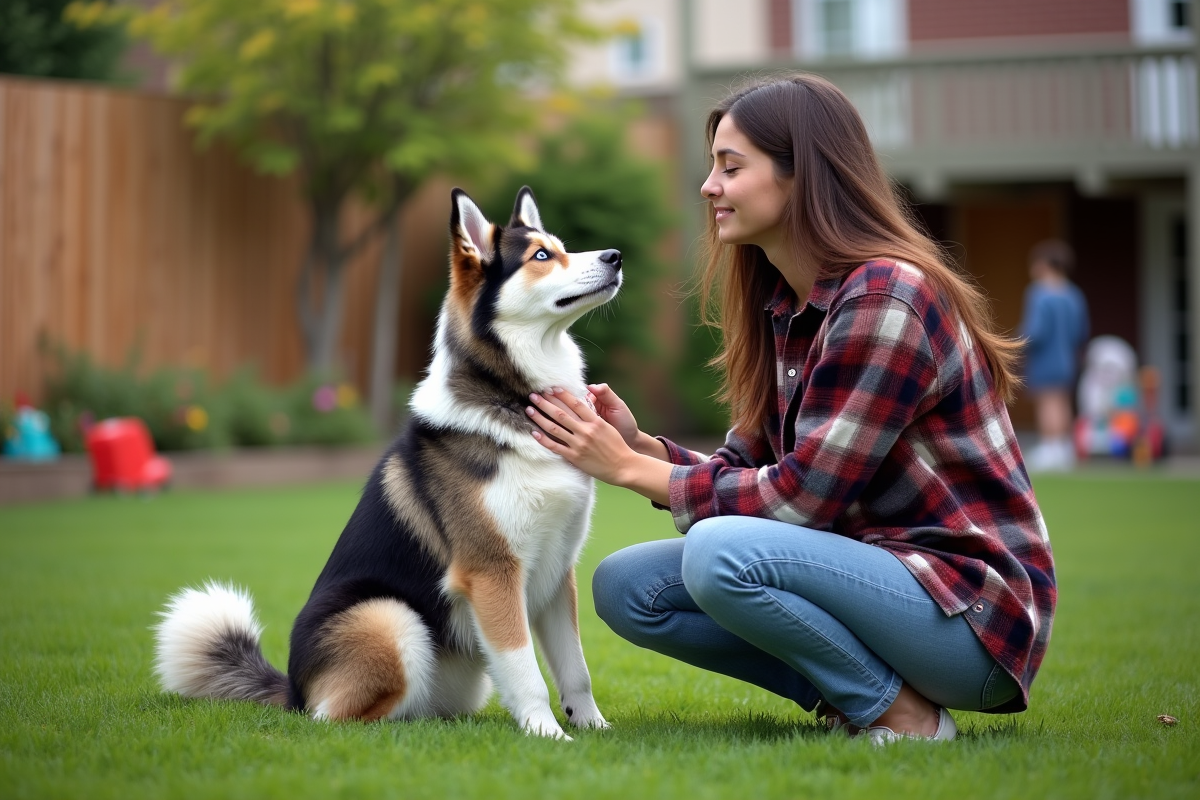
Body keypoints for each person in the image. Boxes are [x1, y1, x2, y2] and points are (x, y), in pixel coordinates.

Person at [524, 74, 1056, 743]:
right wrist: (644, 447)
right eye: (711, 166)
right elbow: (753, 473)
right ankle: (860, 696)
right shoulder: (789, 305)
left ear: (803, 175)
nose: (708, 187)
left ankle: (905, 715)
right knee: (626, 587)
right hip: (874, 579)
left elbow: (801, 502)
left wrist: (628, 470)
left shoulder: (886, 297)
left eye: (730, 167)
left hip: (971, 616)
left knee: (721, 554)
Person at [1019, 240, 1090, 472]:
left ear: (1043, 265)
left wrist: (1016, 341)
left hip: (1044, 357)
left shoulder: (1039, 293)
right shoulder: (1074, 294)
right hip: (1068, 357)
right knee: (1062, 400)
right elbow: (1081, 331)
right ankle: (1063, 448)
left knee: (1047, 401)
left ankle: (1050, 447)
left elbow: (1035, 330)